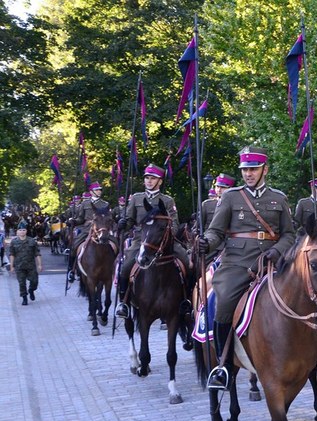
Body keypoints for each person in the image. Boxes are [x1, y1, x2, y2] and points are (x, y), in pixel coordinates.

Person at [197, 146, 296, 389]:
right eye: (245, 170)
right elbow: (216, 231)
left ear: (265, 169)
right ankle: (222, 365)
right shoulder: (231, 197)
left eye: (253, 169)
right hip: (238, 263)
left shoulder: (279, 198)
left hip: (273, 263)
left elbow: (289, 235)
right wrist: (206, 243)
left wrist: (276, 250)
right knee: (223, 302)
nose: (248, 174)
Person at [115, 164, 190, 318]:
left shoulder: (167, 200)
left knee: (186, 262)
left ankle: (186, 300)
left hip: (165, 240)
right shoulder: (136, 198)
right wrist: (123, 223)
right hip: (141, 240)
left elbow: (174, 223)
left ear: (160, 182)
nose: (149, 181)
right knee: (126, 265)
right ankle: (124, 303)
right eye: (147, 178)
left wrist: (168, 235)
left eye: (153, 178)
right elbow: (130, 220)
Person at [67, 182, 110, 282]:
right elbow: (80, 219)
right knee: (74, 246)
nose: (99, 191)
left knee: (114, 244)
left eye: (100, 190)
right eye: (97, 190)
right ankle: (71, 270)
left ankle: (114, 267)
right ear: (91, 192)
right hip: (87, 229)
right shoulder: (85, 204)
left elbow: (108, 218)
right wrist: (74, 221)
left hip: (101, 229)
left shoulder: (105, 204)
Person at [9, 221, 42, 305]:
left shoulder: (32, 241)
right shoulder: (14, 242)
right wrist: (11, 266)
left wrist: (39, 265)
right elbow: (12, 254)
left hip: (31, 266)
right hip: (19, 266)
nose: (22, 232)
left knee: (34, 281)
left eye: (24, 230)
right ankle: (24, 298)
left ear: (26, 231)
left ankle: (31, 290)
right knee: (21, 283)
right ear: (17, 232)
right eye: (20, 230)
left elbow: (37, 253)